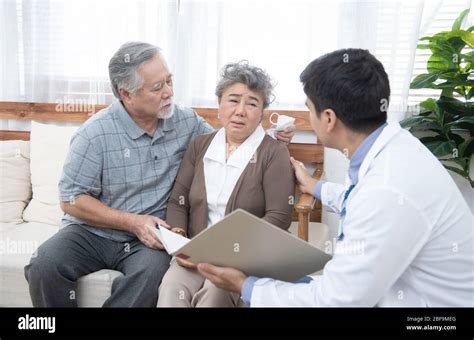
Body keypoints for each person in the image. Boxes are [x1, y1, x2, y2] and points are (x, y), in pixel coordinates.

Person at [24, 42, 295, 307]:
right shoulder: (94, 133)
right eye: (157, 87)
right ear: (126, 94)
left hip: (151, 239)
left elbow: (229, 140)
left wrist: (271, 138)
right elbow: (71, 199)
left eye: (169, 81)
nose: (168, 93)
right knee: (43, 265)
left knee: (152, 276)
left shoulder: (185, 122)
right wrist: (132, 222)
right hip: (92, 233)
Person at [197, 48, 474, 307]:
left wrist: (246, 286)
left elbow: (338, 300)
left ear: (328, 118)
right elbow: (360, 199)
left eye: (309, 108)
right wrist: (317, 187)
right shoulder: (394, 149)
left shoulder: (386, 189)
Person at [157, 61, 295, 307]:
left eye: (252, 103)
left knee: (215, 293)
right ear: (219, 104)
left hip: (243, 258)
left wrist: (233, 253)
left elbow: (279, 217)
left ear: (261, 112)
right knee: (170, 288)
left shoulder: (273, 152)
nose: (240, 111)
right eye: (233, 100)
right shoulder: (200, 145)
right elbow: (178, 200)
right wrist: (180, 241)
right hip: (195, 252)